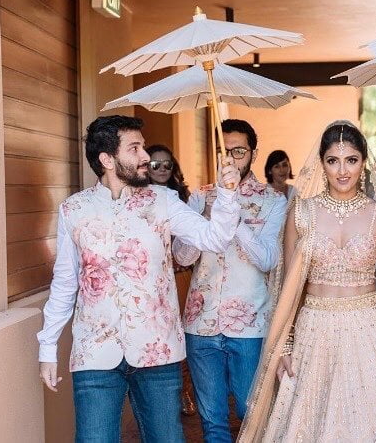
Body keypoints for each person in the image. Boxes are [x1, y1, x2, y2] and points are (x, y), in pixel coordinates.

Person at [37, 115, 241, 442]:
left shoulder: (163, 201)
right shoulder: (72, 210)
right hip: (94, 351)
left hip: (157, 352)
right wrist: (47, 346)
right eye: (135, 148)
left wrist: (228, 195)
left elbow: (213, 239)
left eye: (143, 146)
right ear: (107, 159)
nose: (145, 156)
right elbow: (64, 283)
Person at [238, 121, 376, 442]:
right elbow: (289, 286)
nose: (342, 170)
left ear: (363, 162)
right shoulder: (302, 211)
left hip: (369, 327)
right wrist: (284, 344)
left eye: (351, 160)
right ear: (321, 163)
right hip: (314, 328)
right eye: (333, 161)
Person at [173, 119, 287, 442]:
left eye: (240, 151)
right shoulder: (199, 198)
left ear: (253, 152)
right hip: (201, 324)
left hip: (250, 324)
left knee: (252, 416)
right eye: (227, 151)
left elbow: (268, 258)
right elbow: (182, 257)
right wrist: (211, 216)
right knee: (213, 423)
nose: (233, 158)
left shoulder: (273, 201)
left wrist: (232, 215)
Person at [145, 144, 197, 416]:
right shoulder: (139, 198)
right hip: (155, 281)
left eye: (167, 164)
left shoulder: (182, 197)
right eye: (155, 165)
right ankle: (168, 397)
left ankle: (186, 392)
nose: (162, 169)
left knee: (185, 338)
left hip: (182, 277)